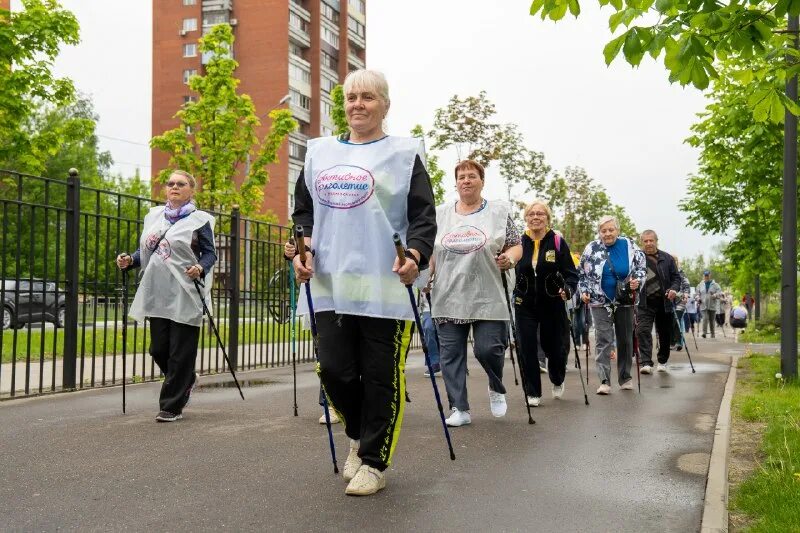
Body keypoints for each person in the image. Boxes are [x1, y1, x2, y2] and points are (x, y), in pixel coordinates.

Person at [291, 69, 436, 496]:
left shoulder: (404, 154)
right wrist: (304, 249)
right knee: (333, 370)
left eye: (368, 97)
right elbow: (304, 212)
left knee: (380, 375)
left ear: (385, 106)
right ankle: (358, 432)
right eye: (352, 97)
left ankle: (373, 460)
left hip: (385, 282)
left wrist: (415, 256)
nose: (358, 104)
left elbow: (423, 217)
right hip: (332, 282)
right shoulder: (319, 153)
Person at [116, 169, 217, 422]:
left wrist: (201, 267)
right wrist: (130, 260)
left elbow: (210, 253)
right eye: (170, 183)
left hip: (186, 291)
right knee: (158, 349)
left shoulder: (199, 220)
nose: (174, 187)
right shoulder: (155, 218)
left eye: (181, 184)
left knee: (180, 352)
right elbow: (150, 251)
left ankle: (171, 406)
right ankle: (186, 379)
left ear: (191, 190)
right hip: (158, 292)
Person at [429, 159, 522, 427]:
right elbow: (434, 252)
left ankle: (495, 384)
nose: (466, 180)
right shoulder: (441, 214)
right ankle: (459, 407)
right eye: (461, 177)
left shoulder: (498, 212)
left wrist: (510, 259)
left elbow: (516, 245)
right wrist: (426, 275)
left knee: (489, 348)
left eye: (472, 176)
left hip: (487, 293)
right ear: (456, 183)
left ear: (482, 181)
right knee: (450, 354)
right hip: (449, 293)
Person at [512, 200, 578, 407]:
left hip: (552, 302)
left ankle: (557, 378)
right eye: (531, 214)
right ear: (526, 218)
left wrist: (567, 289)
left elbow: (571, 274)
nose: (535, 217)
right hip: (525, 303)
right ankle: (533, 392)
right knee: (527, 347)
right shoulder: (518, 242)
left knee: (555, 348)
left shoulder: (557, 241)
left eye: (540, 214)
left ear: (547, 218)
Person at [578, 215, 645, 395]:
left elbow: (641, 267)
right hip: (599, 300)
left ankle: (625, 377)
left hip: (624, 300)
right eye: (603, 230)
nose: (607, 234)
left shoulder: (629, 245)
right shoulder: (592, 248)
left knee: (625, 339)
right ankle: (604, 380)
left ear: (618, 230)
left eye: (611, 230)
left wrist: (636, 281)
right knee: (603, 339)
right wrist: (584, 291)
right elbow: (581, 274)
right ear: (599, 232)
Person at [283, 239, 341, 425]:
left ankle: (355, 400)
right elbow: (302, 238)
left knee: (351, 349)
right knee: (324, 350)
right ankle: (331, 403)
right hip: (319, 290)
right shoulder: (310, 214)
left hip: (350, 286)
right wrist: (291, 250)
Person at [635, 230, 681, 374]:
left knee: (664, 332)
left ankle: (663, 360)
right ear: (642, 242)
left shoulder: (667, 258)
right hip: (644, 302)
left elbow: (676, 278)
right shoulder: (637, 258)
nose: (648, 243)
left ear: (656, 241)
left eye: (651, 240)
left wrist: (673, 289)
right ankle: (646, 362)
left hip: (664, 301)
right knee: (642, 330)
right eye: (645, 241)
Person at [414, 269, 441, 376]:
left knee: (443, 334)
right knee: (429, 329)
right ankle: (434, 363)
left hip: (442, 306)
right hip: (427, 308)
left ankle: (448, 362)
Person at [670, 255, 691, 351]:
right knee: (670, 322)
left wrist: (686, 295)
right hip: (669, 300)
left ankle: (678, 342)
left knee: (676, 321)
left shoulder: (681, 273)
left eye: (674, 261)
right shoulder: (666, 272)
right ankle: (672, 342)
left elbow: (686, 285)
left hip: (680, 300)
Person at [696, 270, 722, 338]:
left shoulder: (715, 285)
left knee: (712, 320)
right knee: (705, 318)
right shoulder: (700, 285)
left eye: (707, 275)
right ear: (703, 276)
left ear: (710, 275)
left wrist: (715, 295)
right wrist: (698, 298)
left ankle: (712, 333)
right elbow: (697, 294)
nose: (706, 277)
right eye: (705, 275)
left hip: (712, 305)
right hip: (703, 305)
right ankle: (704, 333)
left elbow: (720, 293)